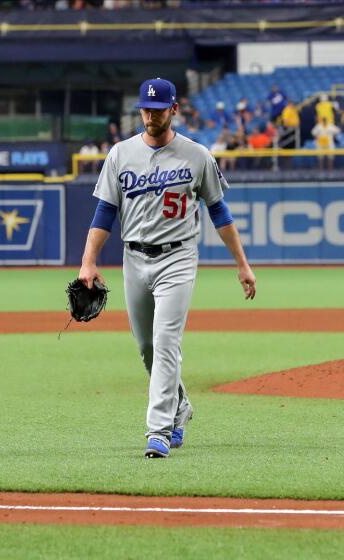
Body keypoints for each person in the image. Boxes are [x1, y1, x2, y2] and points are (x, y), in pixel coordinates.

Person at [78, 78, 256, 458]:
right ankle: (180, 406)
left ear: (174, 110)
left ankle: (158, 430)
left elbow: (219, 212)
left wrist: (242, 264)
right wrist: (88, 261)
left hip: (178, 257)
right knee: (146, 346)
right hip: (134, 257)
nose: (151, 115)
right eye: (145, 109)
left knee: (165, 341)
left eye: (158, 110)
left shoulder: (197, 155)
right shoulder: (120, 154)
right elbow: (104, 212)